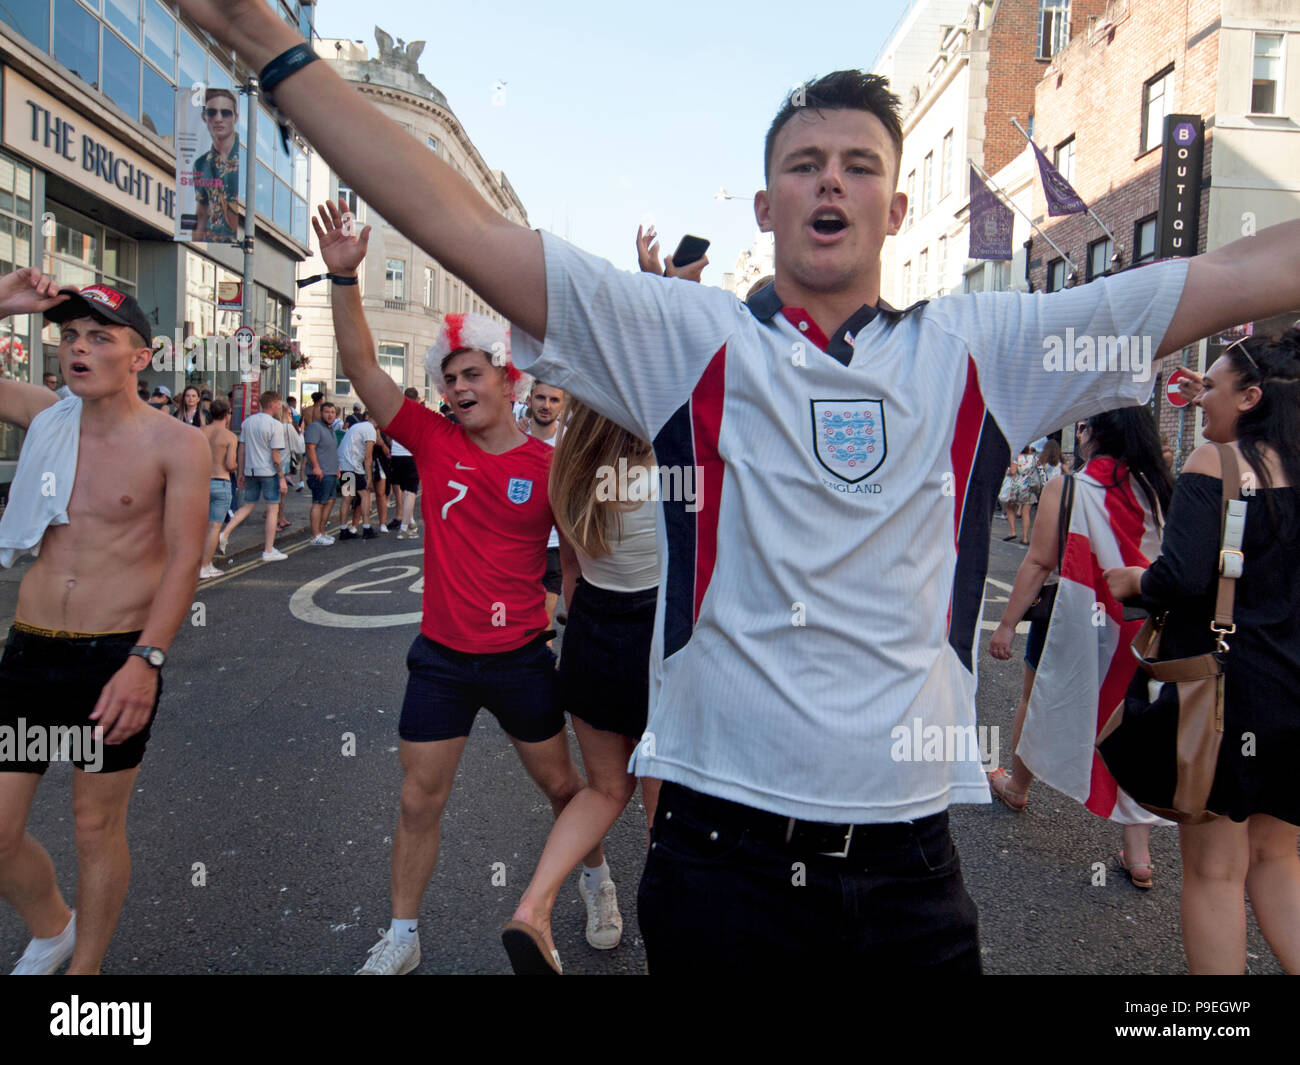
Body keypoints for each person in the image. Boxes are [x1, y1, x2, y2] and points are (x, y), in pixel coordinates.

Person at [177, 2, 1300, 970]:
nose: (831, 182)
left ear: (896, 211)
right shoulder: (686, 340)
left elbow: (1235, 271)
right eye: (803, 166)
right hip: (719, 862)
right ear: (766, 209)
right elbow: (460, 226)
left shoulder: (982, 349)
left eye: (861, 165)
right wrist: (266, 40)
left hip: (909, 868)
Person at [312, 200, 606, 976]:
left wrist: (566, 615)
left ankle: (597, 880)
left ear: (508, 380)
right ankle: (403, 934)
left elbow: (573, 558)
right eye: (449, 378)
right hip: (441, 655)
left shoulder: (547, 465)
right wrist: (344, 276)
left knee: (561, 786)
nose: (458, 388)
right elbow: (364, 369)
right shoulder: (432, 440)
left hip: (518, 660)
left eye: (471, 374)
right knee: (417, 799)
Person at [0, 270, 209, 974]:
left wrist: (144, 662)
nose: (78, 348)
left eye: (99, 336)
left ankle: (83, 974)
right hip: (30, 651)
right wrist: (3, 302)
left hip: (110, 659)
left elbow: (185, 559)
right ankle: (52, 923)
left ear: (140, 356)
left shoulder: (176, 443)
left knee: (94, 824)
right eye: (68, 336)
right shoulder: (43, 414)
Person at [1105, 331, 1300, 974]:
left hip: (1231, 692)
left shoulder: (1216, 466)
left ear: (1250, 397)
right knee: (1280, 859)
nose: (1199, 397)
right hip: (1294, 695)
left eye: (1211, 388)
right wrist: (1214, 391)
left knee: (1216, 873)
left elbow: (1181, 577)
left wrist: (1135, 580)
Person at [987, 407, 1174, 888]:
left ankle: (1017, 786)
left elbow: (1038, 562)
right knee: (1132, 721)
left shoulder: (1068, 487)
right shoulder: (1157, 486)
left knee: (1038, 697)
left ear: (1093, 435)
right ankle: (1139, 854)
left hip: (1074, 619)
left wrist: (1006, 625)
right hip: (1139, 626)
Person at [507, 398, 661, 971]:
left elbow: (569, 574)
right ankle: (667, 941)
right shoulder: (669, 468)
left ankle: (533, 905)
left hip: (594, 630)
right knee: (660, 811)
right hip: (658, 639)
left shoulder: (565, 465)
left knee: (602, 789)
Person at [218, 390, 289, 562]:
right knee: (273, 509)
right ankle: (268, 550)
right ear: (272, 404)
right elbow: (275, 455)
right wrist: (281, 477)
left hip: (250, 470)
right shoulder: (275, 425)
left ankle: (225, 533)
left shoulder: (247, 422)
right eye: (279, 403)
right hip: (269, 472)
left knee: (248, 505)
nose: (280, 406)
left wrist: (241, 472)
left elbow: (241, 449)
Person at [523, 381, 566, 633]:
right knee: (512, 625)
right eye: (541, 398)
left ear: (562, 405)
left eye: (554, 400)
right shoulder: (512, 437)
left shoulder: (570, 442)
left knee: (543, 624)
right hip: (518, 547)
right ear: (530, 399)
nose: (546, 405)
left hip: (554, 547)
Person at [192, 88, 240, 243]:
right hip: (213, 244)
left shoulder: (247, 159)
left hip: (240, 243)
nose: (218, 119)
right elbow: (201, 212)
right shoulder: (200, 164)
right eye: (212, 112)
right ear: (204, 117)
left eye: (225, 113)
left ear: (235, 117)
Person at [199, 397, 238, 578]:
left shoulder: (201, 432)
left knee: (199, 527)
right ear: (227, 415)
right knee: (215, 527)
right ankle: (205, 566)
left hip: (201, 482)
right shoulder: (230, 436)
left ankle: (198, 563)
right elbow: (230, 465)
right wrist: (237, 466)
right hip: (221, 482)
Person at [304, 400, 339, 546]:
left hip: (331, 472)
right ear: (321, 413)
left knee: (330, 501)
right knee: (318, 502)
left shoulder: (330, 429)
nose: (330, 415)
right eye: (327, 412)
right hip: (319, 473)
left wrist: (337, 467)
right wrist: (316, 467)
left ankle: (322, 531)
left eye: (332, 412)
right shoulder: (315, 427)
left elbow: (330, 450)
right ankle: (315, 535)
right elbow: (310, 448)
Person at [337, 410, 376, 540]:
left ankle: (343, 530)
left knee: (347, 497)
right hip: (354, 466)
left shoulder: (357, 426)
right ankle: (366, 527)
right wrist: (369, 477)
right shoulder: (370, 429)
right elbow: (368, 456)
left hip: (344, 464)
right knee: (365, 494)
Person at [391, 387, 422, 540]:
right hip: (410, 455)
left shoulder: (397, 411)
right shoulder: (418, 414)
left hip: (396, 455)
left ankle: (411, 522)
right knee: (411, 493)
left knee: (405, 491)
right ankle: (404, 528)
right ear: (416, 399)